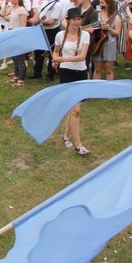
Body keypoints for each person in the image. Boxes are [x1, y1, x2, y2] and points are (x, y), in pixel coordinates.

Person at [53, 8, 91, 155]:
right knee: (75, 110)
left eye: (78, 19)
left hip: (80, 72)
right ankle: (78, 144)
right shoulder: (60, 35)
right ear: (68, 20)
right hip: (66, 73)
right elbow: (56, 51)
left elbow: (82, 56)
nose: (77, 22)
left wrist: (63, 59)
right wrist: (55, 60)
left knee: (72, 108)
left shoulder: (85, 35)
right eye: (74, 19)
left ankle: (66, 136)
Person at [1, 0, 29, 87]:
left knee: (19, 58)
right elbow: (3, 14)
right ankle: (17, 74)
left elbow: (24, 25)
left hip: (18, 35)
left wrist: (19, 37)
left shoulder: (21, 10)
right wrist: (5, 3)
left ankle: (21, 78)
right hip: (11, 32)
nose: (11, 0)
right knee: (14, 57)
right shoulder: (13, 8)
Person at [92, 0, 122, 80]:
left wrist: (109, 28)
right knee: (97, 69)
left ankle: (109, 90)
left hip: (110, 44)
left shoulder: (116, 17)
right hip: (98, 44)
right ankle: (96, 89)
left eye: (102, 3)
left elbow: (117, 33)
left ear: (108, 4)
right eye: (100, 3)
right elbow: (92, 28)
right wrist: (98, 27)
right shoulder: (97, 15)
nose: (100, 5)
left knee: (109, 70)